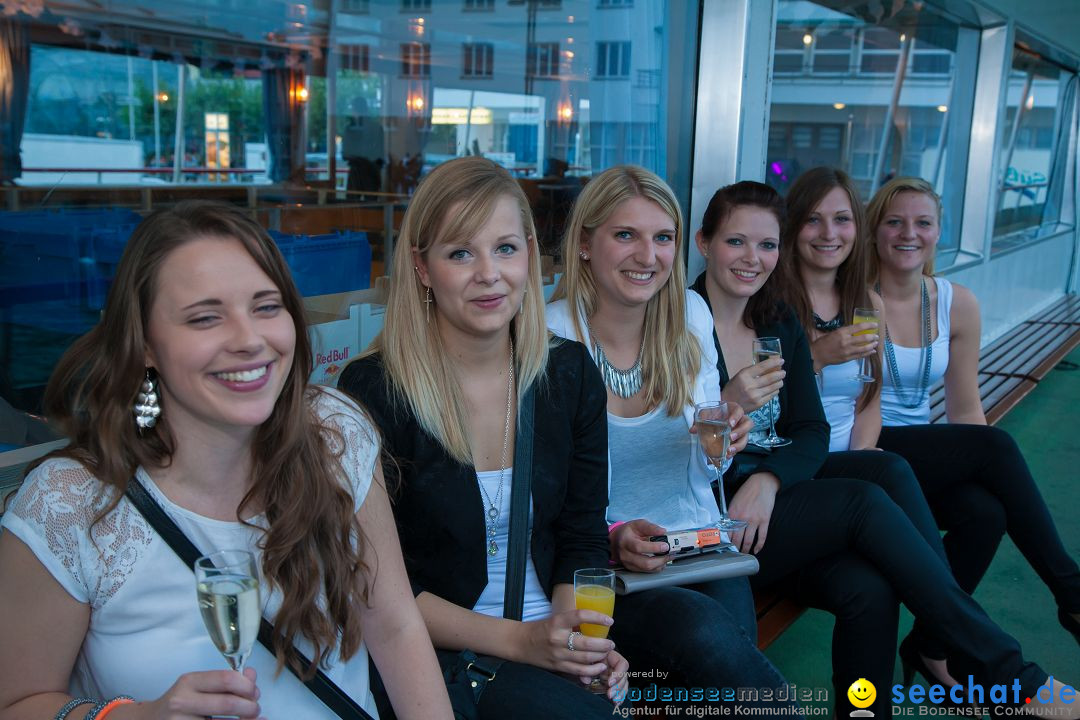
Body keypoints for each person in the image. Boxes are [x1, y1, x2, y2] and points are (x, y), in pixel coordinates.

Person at [0, 202, 452, 719]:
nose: (249, 339)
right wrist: (135, 716)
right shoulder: (69, 504)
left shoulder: (335, 434)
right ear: (145, 344)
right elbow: (17, 703)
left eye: (266, 306)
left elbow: (394, 625)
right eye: (205, 317)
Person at [688, 179, 1076, 717]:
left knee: (870, 583)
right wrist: (730, 411)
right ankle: (1007, 672)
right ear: (705, 242)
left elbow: (811, 431)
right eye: (736, 242)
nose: (753, 259)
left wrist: (769, 479)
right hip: (712, 518)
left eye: (766, 245)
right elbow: (676, 454)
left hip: (772, 501)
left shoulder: (775, 319)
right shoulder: (681, 324)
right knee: (865, 499)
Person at [337, 157, 629, 720]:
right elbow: (377, 588)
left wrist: (575, 642)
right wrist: (525, 644)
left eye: (505, 248)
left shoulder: (568, 375)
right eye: (460, 253)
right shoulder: (373, 389)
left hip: (546, 635)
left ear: (529, 253)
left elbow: (582, 537)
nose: (489, 274)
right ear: (423, 269)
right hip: (439, 654)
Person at [547, 165, 805, 717]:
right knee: (712, 645)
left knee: (726, 668)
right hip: (604, 570)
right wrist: (612, 535)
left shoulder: (688, 315)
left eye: (662, 237)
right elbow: (542, 494)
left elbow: (708, 468)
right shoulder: (552, 336)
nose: (648, 255)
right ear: (586, 244)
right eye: (626, 235)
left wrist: (727, 439)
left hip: (696, 546)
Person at [866, 177, 1080, 665]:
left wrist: (977, 466)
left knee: (986, 512)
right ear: (874, 230)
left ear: (939, 232)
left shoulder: (955, 302)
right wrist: (983, 455)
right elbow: (859, 402)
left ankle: (929, 645)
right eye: (894, 221)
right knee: (997, 448)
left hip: (921, 448)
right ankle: (1073, 595)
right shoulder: (856, 300)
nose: (908, 233)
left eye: (923, 223)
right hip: (871, 443)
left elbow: (965, 409)